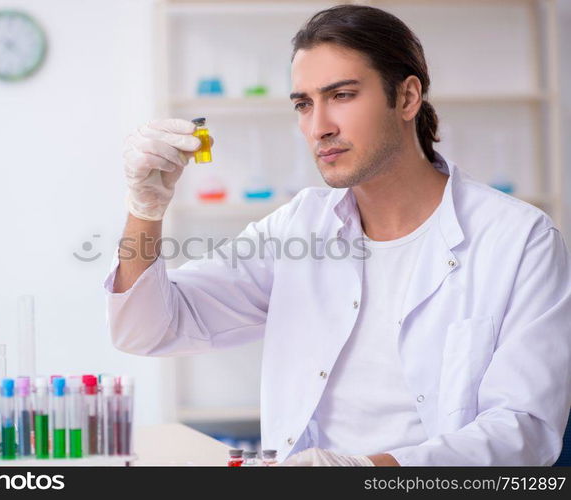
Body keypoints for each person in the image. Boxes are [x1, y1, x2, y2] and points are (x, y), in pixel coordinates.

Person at [104, 4, 571, 466]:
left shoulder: (518, 239)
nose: (318, 127)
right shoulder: (299, 228)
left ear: (407, 98)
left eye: (342, 95)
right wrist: (145, 209)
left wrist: (366, 471)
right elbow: (148, 330)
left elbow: (525, 431)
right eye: (304, 104)